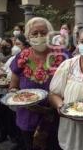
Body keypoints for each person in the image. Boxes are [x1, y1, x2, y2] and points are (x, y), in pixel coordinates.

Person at [9, 17, 68, 150]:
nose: (39, 36)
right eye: (34, 33)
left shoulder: (63, 55)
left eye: (43, 33)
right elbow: (13, 86)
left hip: (56, 118)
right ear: (28, 36)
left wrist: (50, 109)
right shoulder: (22, 57)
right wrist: (18, 99)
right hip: (28, 117)